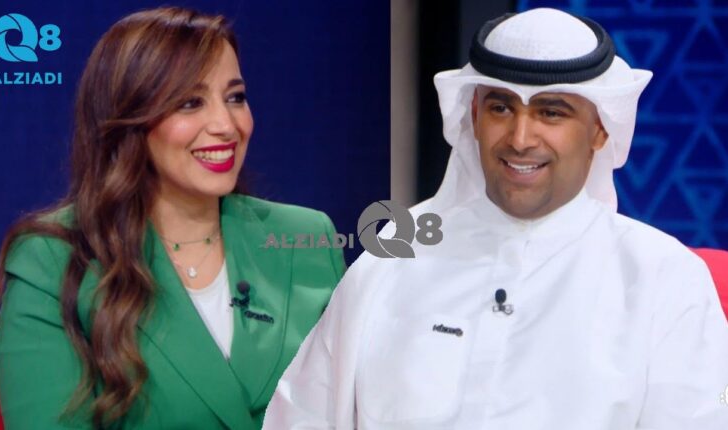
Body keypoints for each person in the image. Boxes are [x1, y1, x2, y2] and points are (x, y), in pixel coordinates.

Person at [263, 8, 728, 430]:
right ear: (473, 115)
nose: (520, 138)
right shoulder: (394, 260)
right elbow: (301, 417)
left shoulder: (661, 280)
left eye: (551, 112)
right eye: (501, 107)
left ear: (600, 130)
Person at [0, 7, 345, 430]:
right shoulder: (53, 260)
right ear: (129, 118)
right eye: (190, 103)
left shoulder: (306, 237)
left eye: (235, 97)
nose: (226, 125)